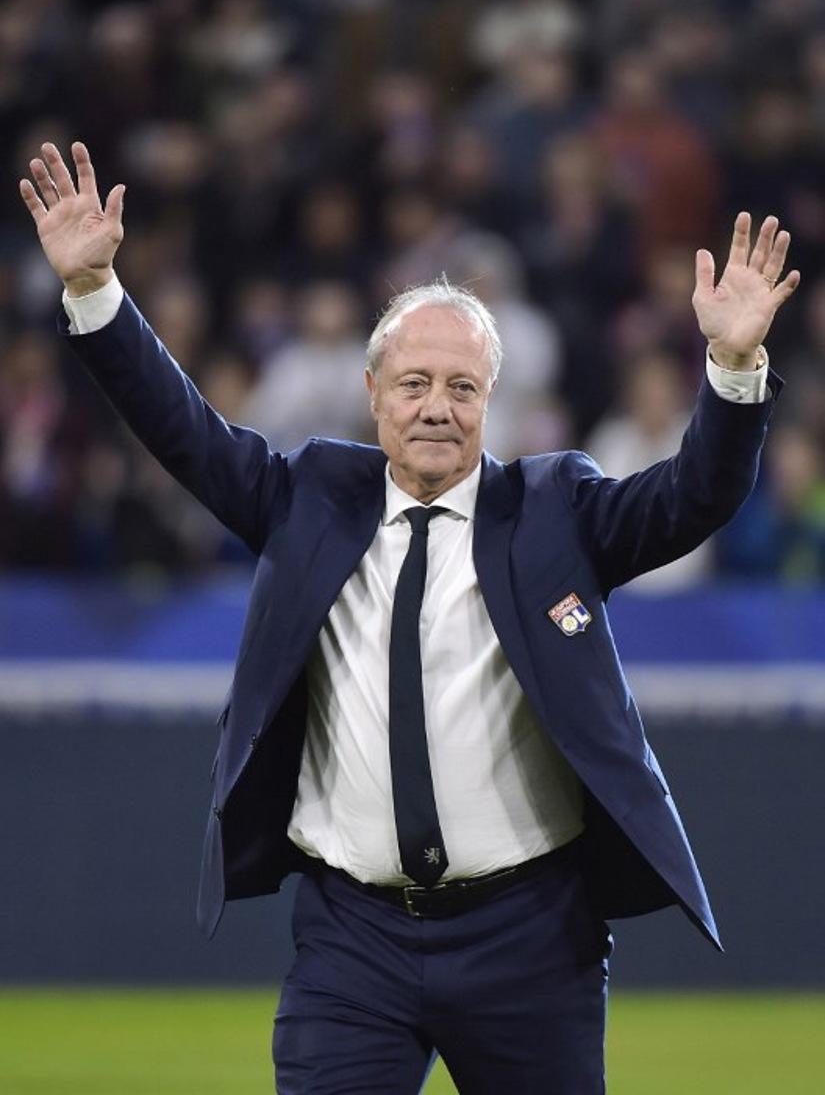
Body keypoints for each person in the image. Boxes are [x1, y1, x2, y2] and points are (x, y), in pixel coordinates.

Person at [20, 141, 798, 1094]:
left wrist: (730, 363)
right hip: (352, 943)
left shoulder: (555, 511)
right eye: (415, 383)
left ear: (490, 403)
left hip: (530, 941)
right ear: (373, 395)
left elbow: (695, 498)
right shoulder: (308, 498)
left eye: (461, 387)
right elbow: (184, 432)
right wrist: (97, 291)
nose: (437, 407)